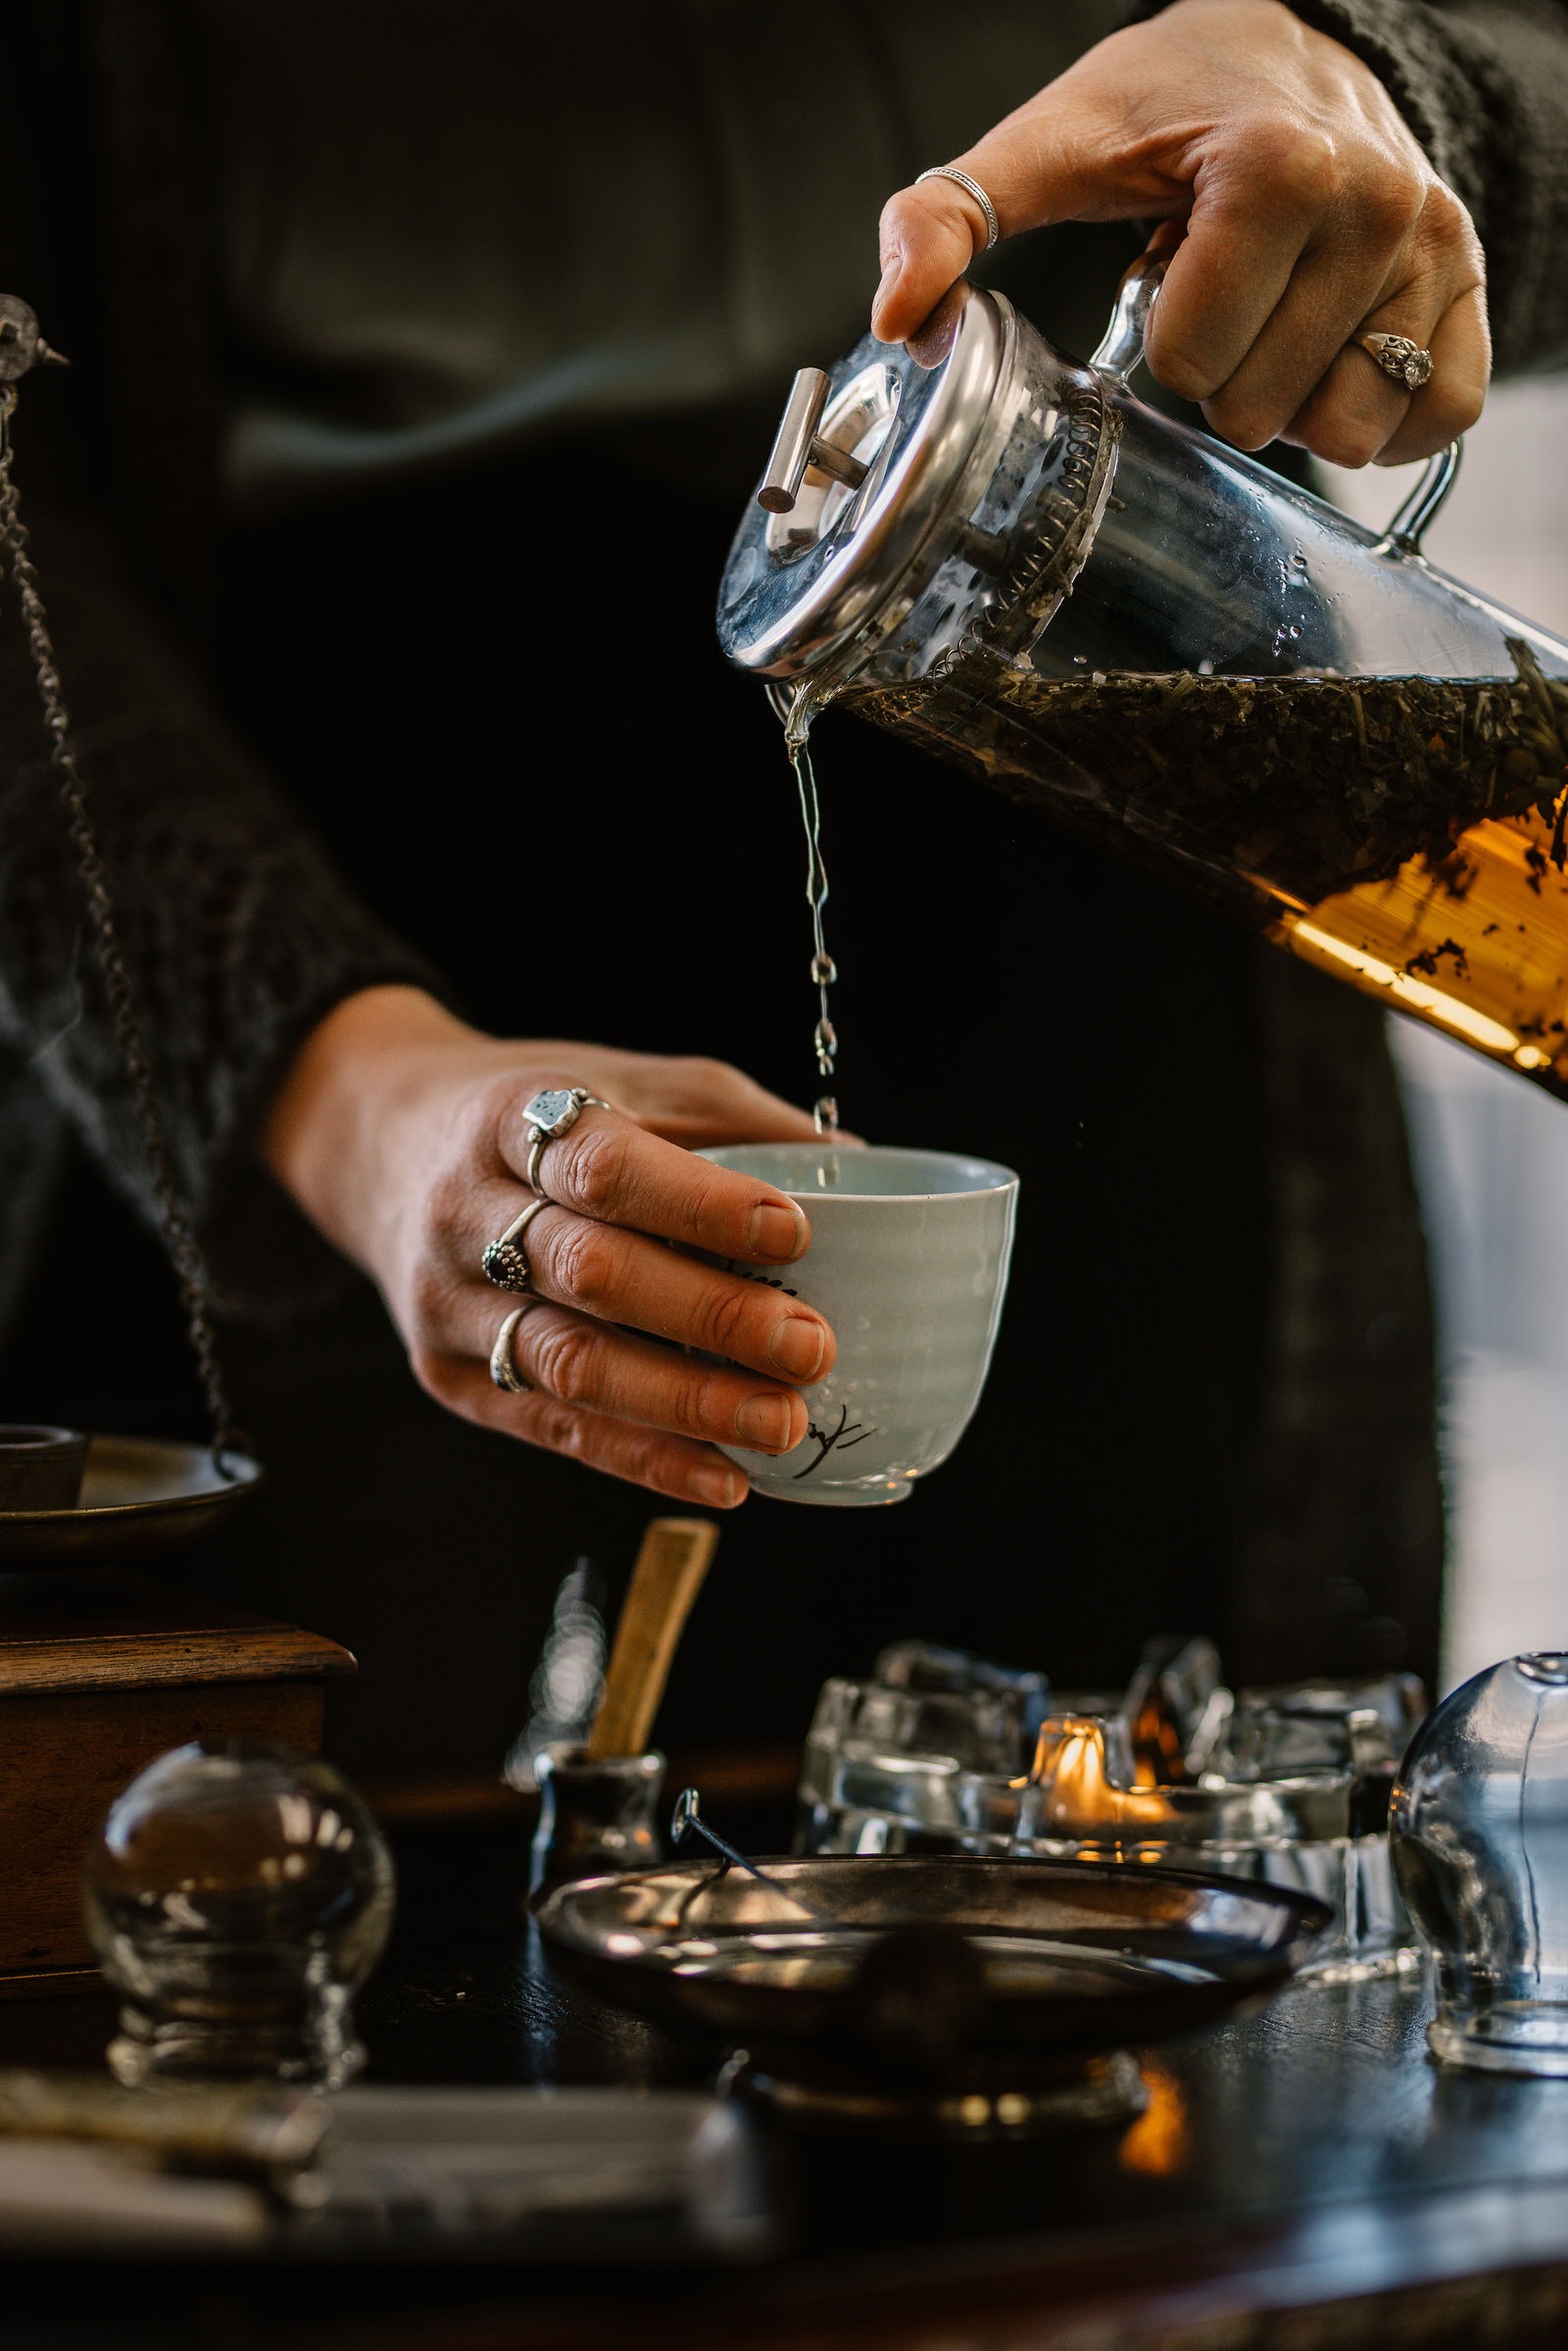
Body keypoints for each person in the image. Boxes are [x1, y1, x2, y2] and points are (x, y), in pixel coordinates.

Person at [0, 0, 1558, 1770]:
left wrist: (1380, 95)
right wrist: (331, 1091)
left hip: (1074, 708)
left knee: (1086, 1851)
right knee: (255, 1863)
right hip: (246, 791)